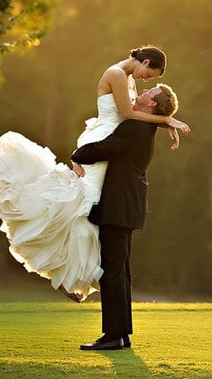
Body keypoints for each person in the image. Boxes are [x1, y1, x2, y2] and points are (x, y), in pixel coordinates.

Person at [0, 45, 189, 301]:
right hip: (103, 141)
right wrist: (166, 120)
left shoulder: (129, 81)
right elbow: (128, 113)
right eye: (149, 75)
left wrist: (164, 120)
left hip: (112, 141)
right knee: (84, 201)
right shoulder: (115, 73)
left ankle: (66, 273)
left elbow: (137, 116)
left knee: (90, 207)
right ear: (145, 61)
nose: (146, 80)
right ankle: (60, 270)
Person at [72, 83, 180, 351]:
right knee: (119, 272)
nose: (143, 92)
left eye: (150, 92)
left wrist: (76, 155)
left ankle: (113, 336)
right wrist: (168, 122)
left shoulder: (135, 127)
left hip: (118, 208)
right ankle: (120, 334)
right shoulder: (146, 125)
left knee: (113, 273)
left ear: (152, 104)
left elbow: (103, 149)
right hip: (126, 207)